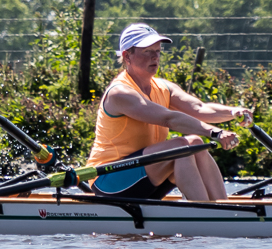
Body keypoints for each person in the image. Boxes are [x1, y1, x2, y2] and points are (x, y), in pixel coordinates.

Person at [86, 23, 253, 201]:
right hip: (110, 179)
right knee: (180, 146)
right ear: (127, 56)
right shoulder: (120, 93)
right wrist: (215, 132)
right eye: (147, 52)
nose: (155, 57)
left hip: (144, 174)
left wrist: (233, 112)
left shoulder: (163, 87)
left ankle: (223, 209)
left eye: (157, 51)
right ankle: (206, 214)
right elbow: (169, 118)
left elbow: (199, 108)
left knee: (195, 143)